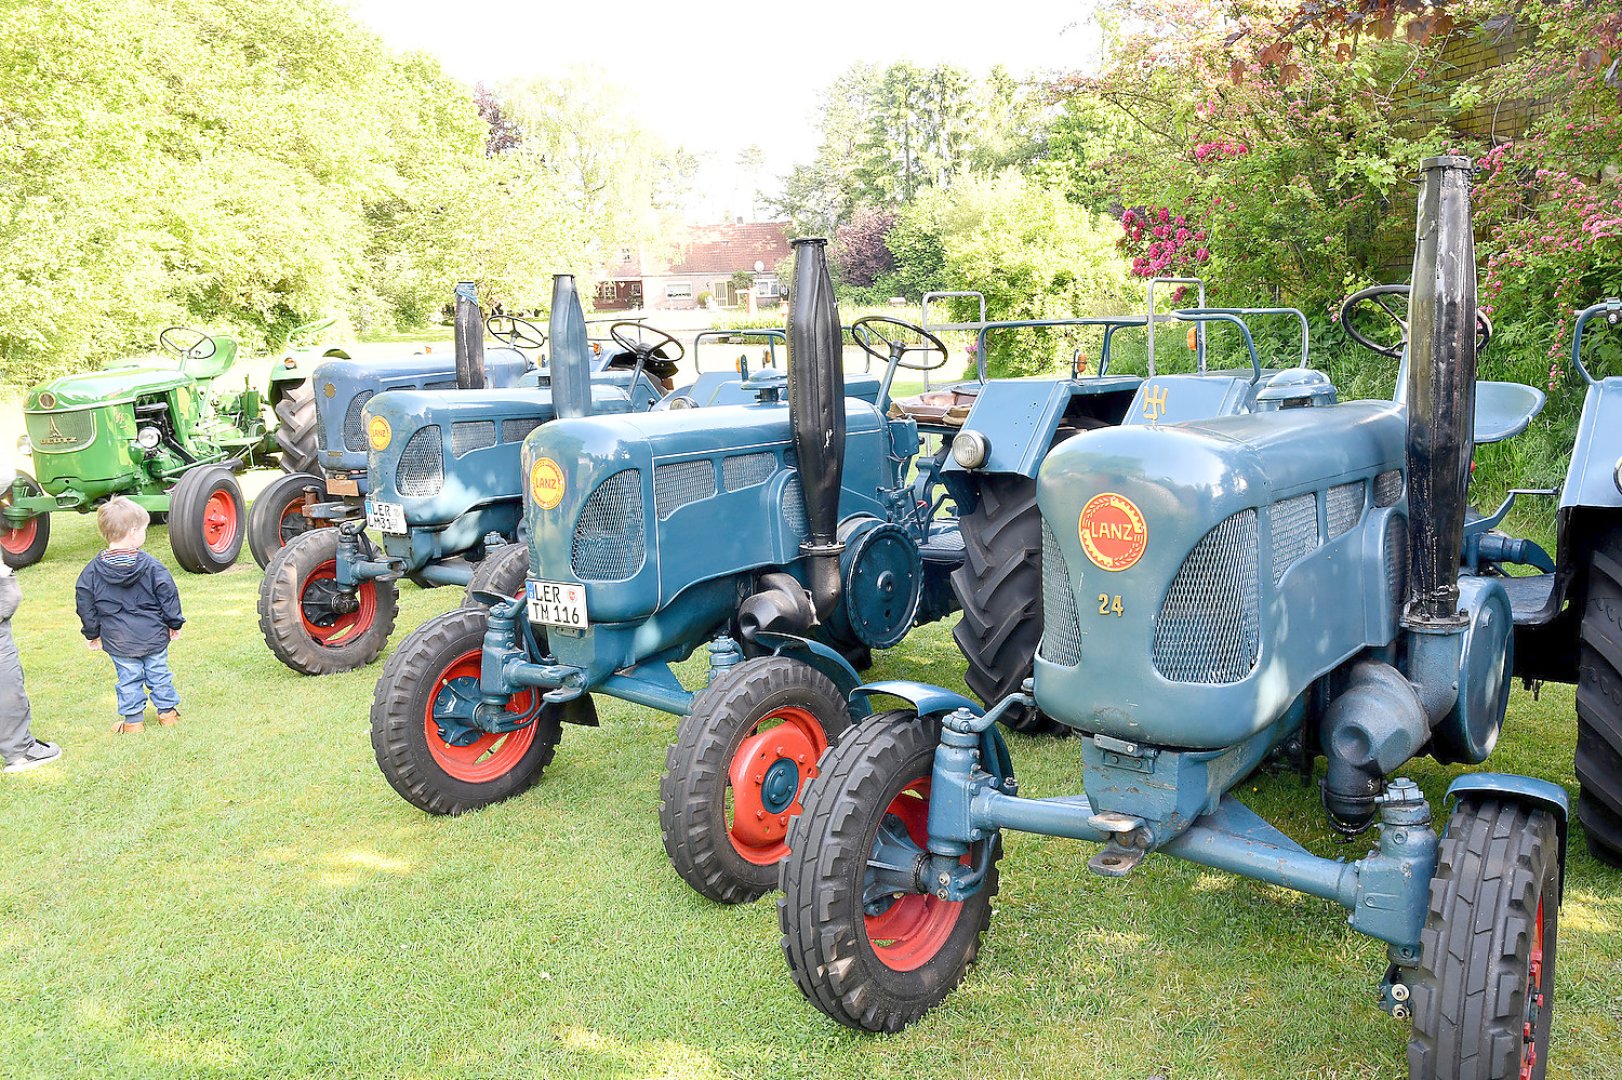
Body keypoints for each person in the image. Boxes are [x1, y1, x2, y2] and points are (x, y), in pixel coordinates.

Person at [75, 497, 185, 734]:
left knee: (128, 678)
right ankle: (167, 714)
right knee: (159, 672)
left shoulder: (92, 571)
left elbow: (85, 603)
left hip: (117, 638)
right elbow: (168, 595)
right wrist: (173, 622)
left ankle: (134, 722)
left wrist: (92, 633)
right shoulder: (153, 566)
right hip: (153, 634)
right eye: (144, 529)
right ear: (134, 532)